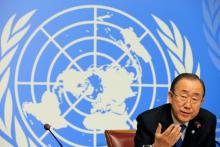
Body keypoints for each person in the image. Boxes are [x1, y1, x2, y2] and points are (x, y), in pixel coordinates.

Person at [134, 73, 217, 147]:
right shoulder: (148, 121)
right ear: (170, 97)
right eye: (183, 96)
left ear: (201, 102)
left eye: (194, 99)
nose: (188, 105)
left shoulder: (208, 121)